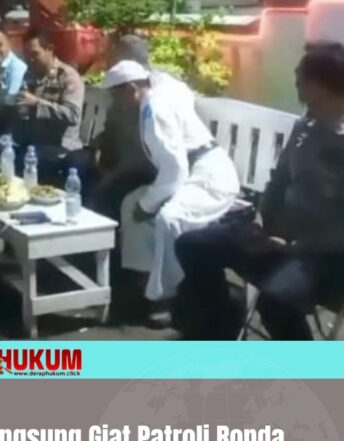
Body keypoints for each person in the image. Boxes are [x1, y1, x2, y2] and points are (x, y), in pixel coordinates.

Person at [175, 48, 344, 340]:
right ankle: (219, 329)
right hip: (276, 238)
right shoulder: (304, 128)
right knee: (193, 244)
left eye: (302, 79)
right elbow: (278, 183)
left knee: (276, 302)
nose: (297, 86)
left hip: (323, 256)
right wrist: (260, 222)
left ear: (325, 85)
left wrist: (293, 246)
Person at [103, 60, 239, 317]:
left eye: (116, 95)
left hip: (211, 179)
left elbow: (175, 170)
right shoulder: (161, 88)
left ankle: (167, 296)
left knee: (167, 218)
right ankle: (146, 276)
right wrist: (143, 204)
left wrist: (148, 205)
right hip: (192, 171)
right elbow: (179, 88)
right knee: (131, 203)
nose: (116, 104)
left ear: (131, 88)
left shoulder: (154, 111)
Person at [93, 34, 158, 221]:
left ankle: (110, 238)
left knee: (107, 193)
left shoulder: (149, 93)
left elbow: (142, 153)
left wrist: (114, 174)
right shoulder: (122, 88)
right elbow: (111, 129)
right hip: (121, 161)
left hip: (147, 167)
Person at [16, 28, 84, 152]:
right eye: (26, 54)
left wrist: (37, 104)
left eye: (35, 54)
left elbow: (72, 115)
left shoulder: (67, 76)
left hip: (62, 148)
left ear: (50, 49)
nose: (30, 59)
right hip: (34, 145)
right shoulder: (30, 74)